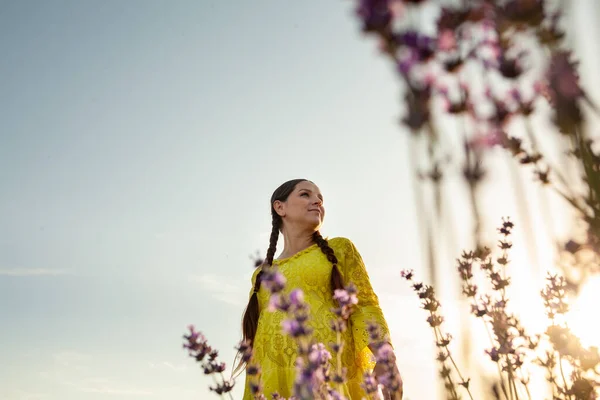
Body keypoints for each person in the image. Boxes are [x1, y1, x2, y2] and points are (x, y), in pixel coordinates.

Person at [239, 179, 402, 399]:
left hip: (329, 374)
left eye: (320, 199)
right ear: (280, 207)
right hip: (273, 383)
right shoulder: (261, 275)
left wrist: (386, 359)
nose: (317, 201)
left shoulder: (340, 249)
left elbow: (365, 306)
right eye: (305, 194)